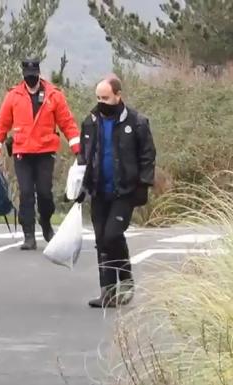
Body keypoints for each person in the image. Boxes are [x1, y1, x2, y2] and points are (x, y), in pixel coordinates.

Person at [76, 75, 156, 308]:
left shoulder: (137, 122)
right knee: (102, 240)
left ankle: (126, 279)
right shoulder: (90, 122)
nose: (101, 102)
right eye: (98, 98)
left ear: (118, 96)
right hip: (99, 191)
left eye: (106, 98)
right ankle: (107, 292)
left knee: (112, 235)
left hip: (125, 191)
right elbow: (84, 157)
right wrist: (80, 186)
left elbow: (148, 155)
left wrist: (143, 184)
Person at [0, 58, 81, 250]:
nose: (30, 79)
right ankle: (28, 234)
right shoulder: (13, 96)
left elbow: (67, 124)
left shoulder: (53, 95)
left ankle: (45, 222)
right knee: (26, 193)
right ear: (23, 75)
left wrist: (79, 151)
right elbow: (2, 126)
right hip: (22, 153)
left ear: (38, 74)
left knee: (45, 193)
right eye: (27, 76)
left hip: (46, 152)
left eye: (33, 75)